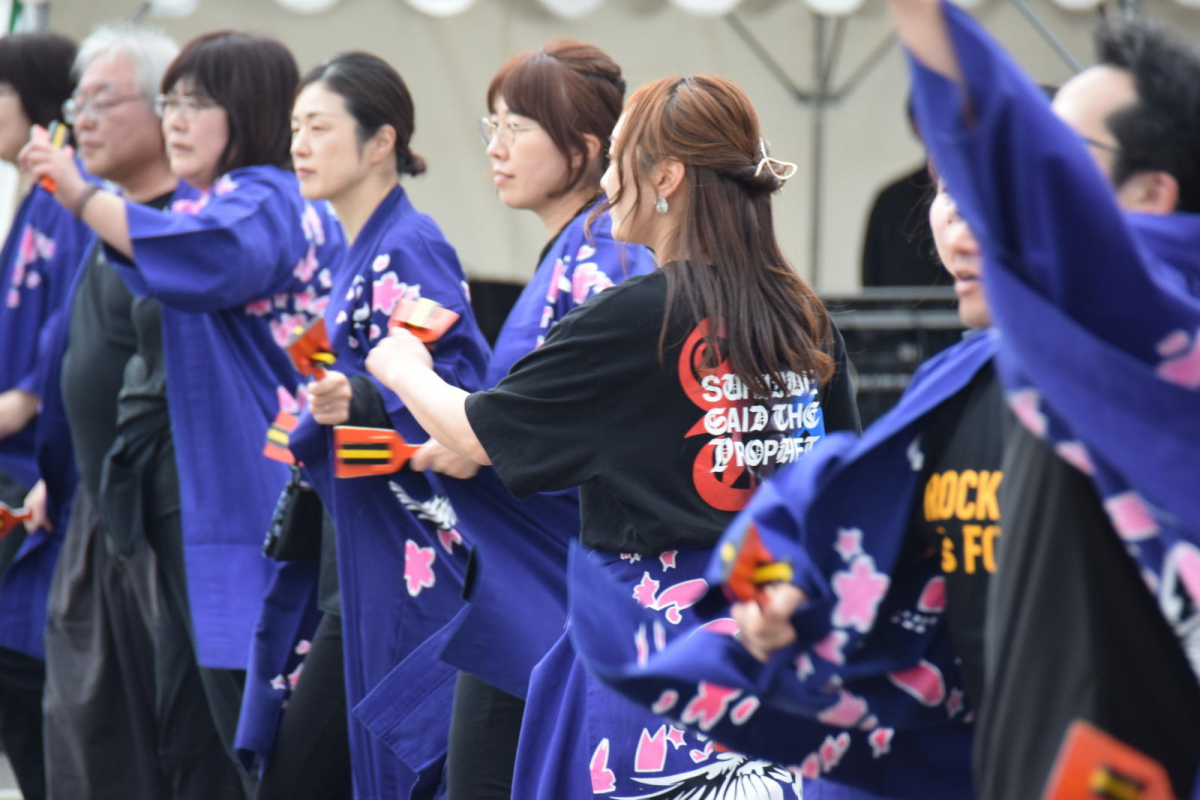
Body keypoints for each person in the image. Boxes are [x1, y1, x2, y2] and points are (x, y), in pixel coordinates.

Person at [367, 74, 859, 798]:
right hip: (779, 650)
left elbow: (477, 435)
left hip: (654, 651)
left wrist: (404, 366)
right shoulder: (801, 315)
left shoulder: (638, 316)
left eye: (618, 154)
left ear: (666, 175)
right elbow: (841, 487)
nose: (605, 178)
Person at [570, 171, 999, 800]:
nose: (953, 229)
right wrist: (770, 585)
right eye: (944, 193)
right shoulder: (951, 384)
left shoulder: (1134, 406)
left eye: (987, 192)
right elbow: (829, 502)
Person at [885, 1, 1200, 798]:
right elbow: (843, 532)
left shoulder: (1155, 345)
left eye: (1055, 156)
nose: (971, 218)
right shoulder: (964, 382)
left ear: (1152, 197)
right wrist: (778, 597)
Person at [23, 29, 343, 796]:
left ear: (248, 109)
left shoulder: (265, 198)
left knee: (244, 722)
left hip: (248, 489)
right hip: (202, 490)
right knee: (194, 723)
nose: (176, 120)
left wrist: (81, 194)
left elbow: (204, 257)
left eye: (194, 103)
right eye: (169, 101)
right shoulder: (225, 201)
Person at [408, 39, 655, 800]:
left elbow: (571, 422)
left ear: (584, 149)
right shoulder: (579, 250)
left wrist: (409, 378)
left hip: (563, 577)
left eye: (517, 128)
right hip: (540, 574)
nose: (496, 147)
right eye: (493, 126)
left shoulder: (603, 257)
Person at [277, 50, 492, 800]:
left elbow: (453, 385)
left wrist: (358, 399)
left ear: (381, 141)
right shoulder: (357, 247)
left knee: (341, 770)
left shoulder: (409, 244)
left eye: (318, 126)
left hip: (411, 548)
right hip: (366, 541)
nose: (298, 144)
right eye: (295, 127)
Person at [0, 30, 87, 800]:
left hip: (38, 481)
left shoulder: (70, 197)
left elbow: (35, 387)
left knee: (30, 694)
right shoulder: (38, 193)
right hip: (22, 475)